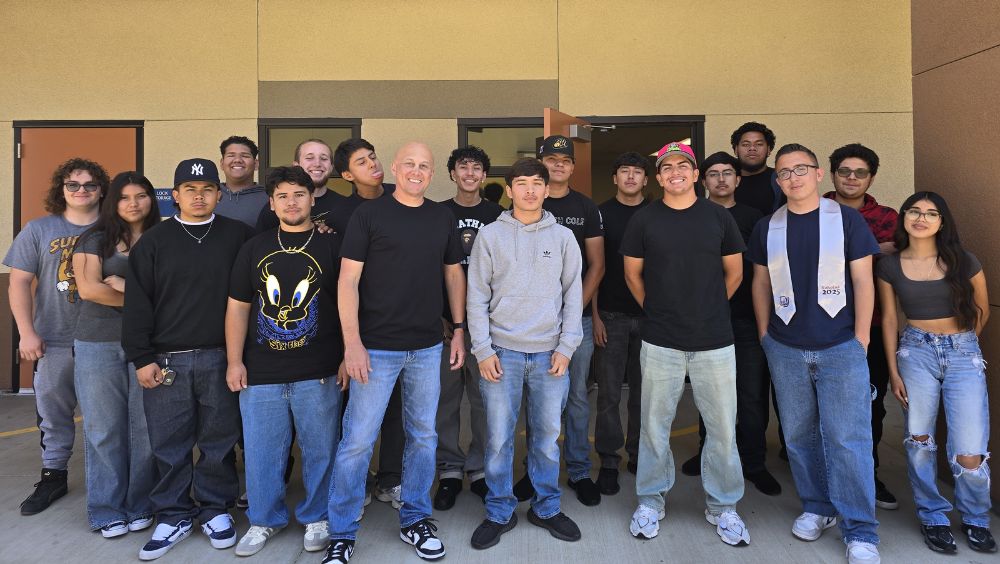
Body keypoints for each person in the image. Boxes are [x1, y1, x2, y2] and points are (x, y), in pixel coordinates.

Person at [324, 142, 465, 564]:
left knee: (423, 438)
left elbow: (453, 274)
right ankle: (342, 532)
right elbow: (347, 281)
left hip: (425, 347)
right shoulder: (370, 214)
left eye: (424, 165)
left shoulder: (442, 217)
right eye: (409, 164)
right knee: (357, 443)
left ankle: (416, 519)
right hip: (375, 348)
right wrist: (352, 344)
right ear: (396, 169)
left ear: (432, 171)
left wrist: (458, 330)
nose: (416, 171)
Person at [748, 143, 881, 564]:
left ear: (818, 173)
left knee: (847, 439)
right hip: (786, 347)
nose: (793, 177)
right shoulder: (767, 227)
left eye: (800, 169)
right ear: (778, 180)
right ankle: (817, 507)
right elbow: (761, 284)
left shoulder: (846, 219)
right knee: (800, 436)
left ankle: (860, 529)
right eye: (784, 172)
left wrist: (861, 337)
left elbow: (863, 281)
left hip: (840, 345)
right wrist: (766, 334)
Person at [123, 158, 255, 560]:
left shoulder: (239, 236)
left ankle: (216, 508)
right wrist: (141, 357)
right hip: (167, 361)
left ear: (219, 193)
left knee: (219, 440)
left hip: (222, 356)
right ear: (175, 195)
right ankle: (174, 513)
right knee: (169, 442)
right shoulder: (154, 242)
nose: (199, 196)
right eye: (190, 190)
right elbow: (137, 305)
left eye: (207, 189)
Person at [621, 142, 751, 547]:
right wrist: (661, 312)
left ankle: (723, 506)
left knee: (722, 430)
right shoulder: (644, 220)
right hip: (661, 341)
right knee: (654, 427)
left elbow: (734, 273)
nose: (675, 171)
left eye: (683, 165)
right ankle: (650, 500)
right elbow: (633, 276)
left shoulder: (718, 217)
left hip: (714, 340)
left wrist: (706, 309)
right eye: (667, 167)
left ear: (695, 175)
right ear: (658, 179)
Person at [226, 166, 346, 556]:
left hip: (321, 370)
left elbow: (349, 307)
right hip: (262, 370)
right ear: (271, 202)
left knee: (321, 449)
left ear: (313, 199)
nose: (291, 202)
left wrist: (347, 356)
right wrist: (234, 361)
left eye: (299, 194)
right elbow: (238, 307)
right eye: (283, 195)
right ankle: (264, 520)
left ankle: (318, 516)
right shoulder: (254, 247)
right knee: (262, 452)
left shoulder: (333, 246)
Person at [467, 157, 583, 549]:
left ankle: (546, 506)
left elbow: (573, 297)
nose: (530, 190)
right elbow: (477, 297)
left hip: (551, 354)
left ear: (547, 190)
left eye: (537, 183)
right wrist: (482, 350)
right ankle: (500, 510)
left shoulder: (563, 238)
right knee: (498, 439)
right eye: (521, 183)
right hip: (502, 353)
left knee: (548, 438)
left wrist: (567, 347)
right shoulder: (490, 236)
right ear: (510, 189)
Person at [878, 192, 995, 555]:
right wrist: (894, 371)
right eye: (914, 211)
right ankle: (933, 517)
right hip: (915, 350)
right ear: (904, 217)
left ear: (942, 222)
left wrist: (962, 346)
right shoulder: (890, 264)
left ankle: (976, 518)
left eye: (931, 213)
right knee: (919, 441)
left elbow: (981, 311)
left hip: (962, 352)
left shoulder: (964, 260)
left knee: (970, 451)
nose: (922, 218)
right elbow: (888, 317)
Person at [5, 158, 106, 515]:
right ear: (60, 190)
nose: (81, 191)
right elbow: (18, 281)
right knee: (53, 415)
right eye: (73, 185)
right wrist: (26, 331)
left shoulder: (114, 229)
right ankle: (53, 476)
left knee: (107, 417)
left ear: (101, 190)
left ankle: (110, 482)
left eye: (90, 185)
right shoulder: (39, 229)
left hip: (105, 339)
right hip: (54, 338)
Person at [681, 152, 780, 496]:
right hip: (704, 323)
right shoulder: (691, 215)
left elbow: (765, 274)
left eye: (727, 173)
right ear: (702, 180)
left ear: (738, 180)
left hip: (747, 320)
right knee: (709, 396)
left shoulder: (757, 220)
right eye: (713, 174)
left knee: (751, 396)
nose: (721, 179)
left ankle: (754, 462)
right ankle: (708, 453)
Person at [515, 134, 604, 507]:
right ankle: (533, 472)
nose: (557, 165)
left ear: (572, 166)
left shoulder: (585, 206)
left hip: (574, 324)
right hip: (531, 326)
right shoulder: (528, 203)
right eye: (550, 160)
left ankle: (580, 470)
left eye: (564, 161)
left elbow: (596, 265)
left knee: (577, 398)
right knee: (537, 402)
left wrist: (573, 313)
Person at [71, 171, 159, 538]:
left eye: (141, 196)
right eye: (125, 197)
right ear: (113, 202)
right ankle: (106, 508)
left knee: (145, 429)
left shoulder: (163, 238)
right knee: (104, 428)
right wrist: (146, 300)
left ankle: (140, 503)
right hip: (98, 342)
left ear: (152, 199)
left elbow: (174, 292)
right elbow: (91, 290)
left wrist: (128, 290)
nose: (133, 203)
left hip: (149, 343)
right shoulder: (94, 239)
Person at [825, 143, 899, 510]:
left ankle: (867, 475)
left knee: (871, 406)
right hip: (820, 325)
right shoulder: (811, 208)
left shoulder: (887, 216)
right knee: (821, 409)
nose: (851, 178)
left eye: (860, 173)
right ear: (832, 173)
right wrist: (873, 249)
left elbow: (896, 257)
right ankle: (827, 478)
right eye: (844, 171)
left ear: (871, 177)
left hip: (870, 322)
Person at [331, 137, 403, 512]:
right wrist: (348, 342)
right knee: (356, 416)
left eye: (373, 157)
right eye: (362, 162)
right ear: (347, 174)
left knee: (397, 411)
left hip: (402, 324)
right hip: (359, 327)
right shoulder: (342, 215)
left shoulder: (401, 197)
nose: (372, 165)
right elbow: (342, 279)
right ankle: (353, 488)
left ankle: (391, 480)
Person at [434, 146, 503, 510]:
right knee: (445, 401)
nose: (471, 173)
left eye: (478, 168)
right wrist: (441, 318)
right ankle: (448, 470)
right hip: (443, 326)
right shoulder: (437, 214)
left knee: (482, 401)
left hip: (486, 327)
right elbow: (428, 270)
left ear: (484, 175)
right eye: (463, 167)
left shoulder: (499, 215)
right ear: (452, 174)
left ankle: (478, 470)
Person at [592, 151, 648, 494]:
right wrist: (595, 315)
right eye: (624, 171)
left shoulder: (658, 214)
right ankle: (609, 460)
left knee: (645, 394)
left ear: (646, 179)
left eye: (637, 172)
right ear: (615, 178)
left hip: (650, 317)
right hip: (609, 317)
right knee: (609, 394)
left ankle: (640, 455)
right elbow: (594, 268)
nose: (630, 177)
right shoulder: (600, 214)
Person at [257, 139, 345, 231]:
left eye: (324, 158)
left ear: (331, 167)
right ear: (296, 165)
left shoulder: (344, 206)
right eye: (309, 158)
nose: (317, 164)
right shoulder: (277, 207)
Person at [731, 122, 783, 217]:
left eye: (759, 144)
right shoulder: (725, 180)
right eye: (746, 145)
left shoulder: (781, 180)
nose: (752, 148)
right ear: (736, 150)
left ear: (769, 150)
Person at [215, 136, 267, 227]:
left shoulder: (269, 198)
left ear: (256, 164)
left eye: (245, 156)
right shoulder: (210, 195)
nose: (238, 160)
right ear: (222, 163)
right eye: (231, 155)